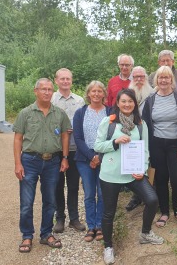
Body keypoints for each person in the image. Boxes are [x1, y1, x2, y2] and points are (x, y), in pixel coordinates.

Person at [94, 89, 164, 265]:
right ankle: (108, 247)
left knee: (152, 199)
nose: (127, 105)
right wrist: (115, 142)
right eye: (123, 101)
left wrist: (143, 169)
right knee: (109, 212)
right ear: (117, 103)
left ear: (134, 103)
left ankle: (145, 233)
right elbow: (98, 146)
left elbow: (145, 150)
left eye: (130, 101)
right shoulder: (108, 122)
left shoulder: (141, 124)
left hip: (133, 174)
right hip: (110, 174)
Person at [13, 78, 71, 253]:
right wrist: (18, 163)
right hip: (30, 161)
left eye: (49, 89)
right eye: (43, 89)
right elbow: (17, 139)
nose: (47, 92)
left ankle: (46, 234)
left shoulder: (60, 114)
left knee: (50, 201)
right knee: (26, 202)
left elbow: (65, 136)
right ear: (35, 91)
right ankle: (27, 236)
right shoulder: (26, 113)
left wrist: (65, 158)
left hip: (53, 162)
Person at [142, 66, 177, 227]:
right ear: (156, 80)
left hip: (176, 144)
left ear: (172, 79)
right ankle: (164, 212)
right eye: (160, 77)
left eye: (167, 77)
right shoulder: (150, 100)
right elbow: (145, 125)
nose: (163, 80)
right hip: (157, 144)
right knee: (161, 179)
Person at [73, 81, 111, 242]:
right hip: (84, 159)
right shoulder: (80, 113)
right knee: (89, 194)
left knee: (102, 194)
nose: (96, 94)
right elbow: (78, 138)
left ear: (104, 94)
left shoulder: (110, 112)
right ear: (88, 94)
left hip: (105, 158)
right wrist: (91, 157)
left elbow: (112, 136)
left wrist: (99, 157)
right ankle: (91, 226)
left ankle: (100, 225)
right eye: (93, 91)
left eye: (99, 91)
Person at [51, 68, 86, 233]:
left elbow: (83, 123)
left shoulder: (79, 101)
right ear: (56, 80)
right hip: (56, 149)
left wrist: (75, 130)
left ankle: (74, 218)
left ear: (71, 81)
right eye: (62, 79)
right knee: (58, 185)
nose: (65, 81)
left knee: (73, 185)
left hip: (74, 149)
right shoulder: (50, 99)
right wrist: (61, 130)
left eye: (68, 79)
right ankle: (60, 218)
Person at [124, 66, 155, 212]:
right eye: (136, 77)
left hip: (151, 134)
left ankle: (151, 195)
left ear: (146, 78)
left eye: (141, 77)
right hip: (133, 135)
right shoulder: (128, 94)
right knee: (135, 165)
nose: (139, 80)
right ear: (132, 79)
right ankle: (136, 196)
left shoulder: (153, 92)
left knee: (150, 165)